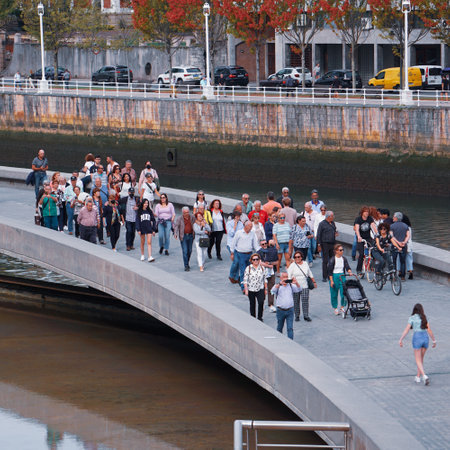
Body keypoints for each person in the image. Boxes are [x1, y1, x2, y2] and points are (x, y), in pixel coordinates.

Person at [399, 303, 436, 385]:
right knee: (421, 359)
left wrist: (401, 339)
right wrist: (434, 340)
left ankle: (424, 376)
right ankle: (418, 377)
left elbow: (407, 330)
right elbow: (429, 330)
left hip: (417, 338)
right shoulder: (424, 317)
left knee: (417, 360)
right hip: (425, 338)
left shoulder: (412, 318)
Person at [230, 221, 260, 290]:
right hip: (241, 254)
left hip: (249, 254)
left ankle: (246, 283)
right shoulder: (239, 233)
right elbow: (233, 242)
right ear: (245, 226)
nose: (251, 228)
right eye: (250, 226)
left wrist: (259, 251)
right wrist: (232, 253)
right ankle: (244, 287)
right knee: (243, 270)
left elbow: (255, 244)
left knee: (249, 270)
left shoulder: (252, 233)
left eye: (251, 226)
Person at [271, 272, 301, 340]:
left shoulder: (290, 285)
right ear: (281, 278)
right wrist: (279, 284)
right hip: (280, 310)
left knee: (290, 328)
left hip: (290, 310)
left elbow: (299, 289)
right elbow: (272, 292)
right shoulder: (278, 286)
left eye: (287, 277)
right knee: (279, 327)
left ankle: (291, 342)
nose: (285, 278)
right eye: (284, 277)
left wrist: (296, 283)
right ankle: (278, 340)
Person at [288, 250, 316, 321]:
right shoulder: (292, 265)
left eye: (298, 257)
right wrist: (291, 283)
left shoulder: (305, 264)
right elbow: (289, 276)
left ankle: (306, 315)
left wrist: (314, 281)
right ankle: (297, 315)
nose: (297, 258)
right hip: (295, 287)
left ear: (301, 257)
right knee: (296, 301)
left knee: (305, 301)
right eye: (295, 257)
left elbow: (310, 273)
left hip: (304, 286)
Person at [327, 244, 352, 315]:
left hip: (342, 276)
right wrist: (331, 281)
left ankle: (342, 307)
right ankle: (335, 308)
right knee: (334, 293)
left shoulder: (344, 259)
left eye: (342, 250)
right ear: (336, 251)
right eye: (340, 250)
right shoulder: (332, 260)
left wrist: (349, 271)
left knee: (343, 293)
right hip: (334, 277)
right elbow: (329, 272)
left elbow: (347, 266)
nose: (342, 251)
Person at [354, 206, 377, 277]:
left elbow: (374, 227)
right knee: (361, 254)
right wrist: (358, 236)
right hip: (361, 238)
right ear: (362, 213)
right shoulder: (358, 219)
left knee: (373, 250)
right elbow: (357, 229)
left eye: (368, 212)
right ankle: (359, 270)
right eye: (365, 212)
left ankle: (373, 266)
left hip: (368, 238)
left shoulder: (370, 219)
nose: (367, 213)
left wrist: (378, 234)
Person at [243, 253, 267, 321]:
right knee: (252, 303)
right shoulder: (248, 268)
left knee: (261, 302)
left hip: (260, 288)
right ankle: (253, 317)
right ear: (251, 260)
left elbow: (265, 279)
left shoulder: (262, 268)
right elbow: (245, 280)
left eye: (257, 259)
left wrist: (266, 289)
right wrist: (246, 289)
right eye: (254, 259)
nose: (256, 261)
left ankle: (260, 317)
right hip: (251, 289)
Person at [317, 210, 337, 282]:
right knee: (325, 260)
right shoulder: (322, 224)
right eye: (332, 216)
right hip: (325, 243)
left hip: (332, 243)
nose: (333, 217)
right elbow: (319, 234)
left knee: (332, 260)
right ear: (329, 217)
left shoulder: (333, 223)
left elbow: (335, 230)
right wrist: (319, 245)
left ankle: (330, 275)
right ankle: (324, 276)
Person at [174, 207, 196, 271]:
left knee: (190, 250)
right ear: (182, 213)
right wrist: (175, 233)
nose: (187, 214)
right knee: (185, 251)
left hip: (191, 235)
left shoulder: (192, 217)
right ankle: (186, 265)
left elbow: (195, 223)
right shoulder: (179, 218)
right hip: (183, 236)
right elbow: (176, 226)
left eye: (187, 212)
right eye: (185, 213)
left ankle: (187, 261)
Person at [390, 212, 410, 281]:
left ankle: (394, 276)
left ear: (396, 218)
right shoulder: (405, 226)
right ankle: (403, 277)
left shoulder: (392, 226)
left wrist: (398, 242)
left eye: (393, 217)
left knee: (394, 261)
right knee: (403, 261)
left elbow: (392, 236)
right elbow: (408, 235)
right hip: (404, 246)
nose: (392, 218)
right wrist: (404, 242)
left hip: (395, 245)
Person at [119, 187, 140, 251]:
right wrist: (121, 216)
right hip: (128, 218)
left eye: (132, 192)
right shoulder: (124, 199)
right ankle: (128, 245)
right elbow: (118, 203)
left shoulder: (136, 199)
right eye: (130, 192)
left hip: (134, 218)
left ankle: (131, 244)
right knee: (129, 231)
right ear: (128, 192)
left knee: (133, 232)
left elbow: (141, 206)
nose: (131, 193)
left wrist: (137, 208)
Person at [226, 211, 244, 284]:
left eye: (239, 216)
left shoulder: (241, 224)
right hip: (231, 244)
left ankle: (235, 277)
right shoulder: (229, 223)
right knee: (235, 261)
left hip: (238, 245)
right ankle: (232, 275)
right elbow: (231, 234)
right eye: (236, 216)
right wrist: (235, 225)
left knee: (237, 261)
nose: (238, 218)